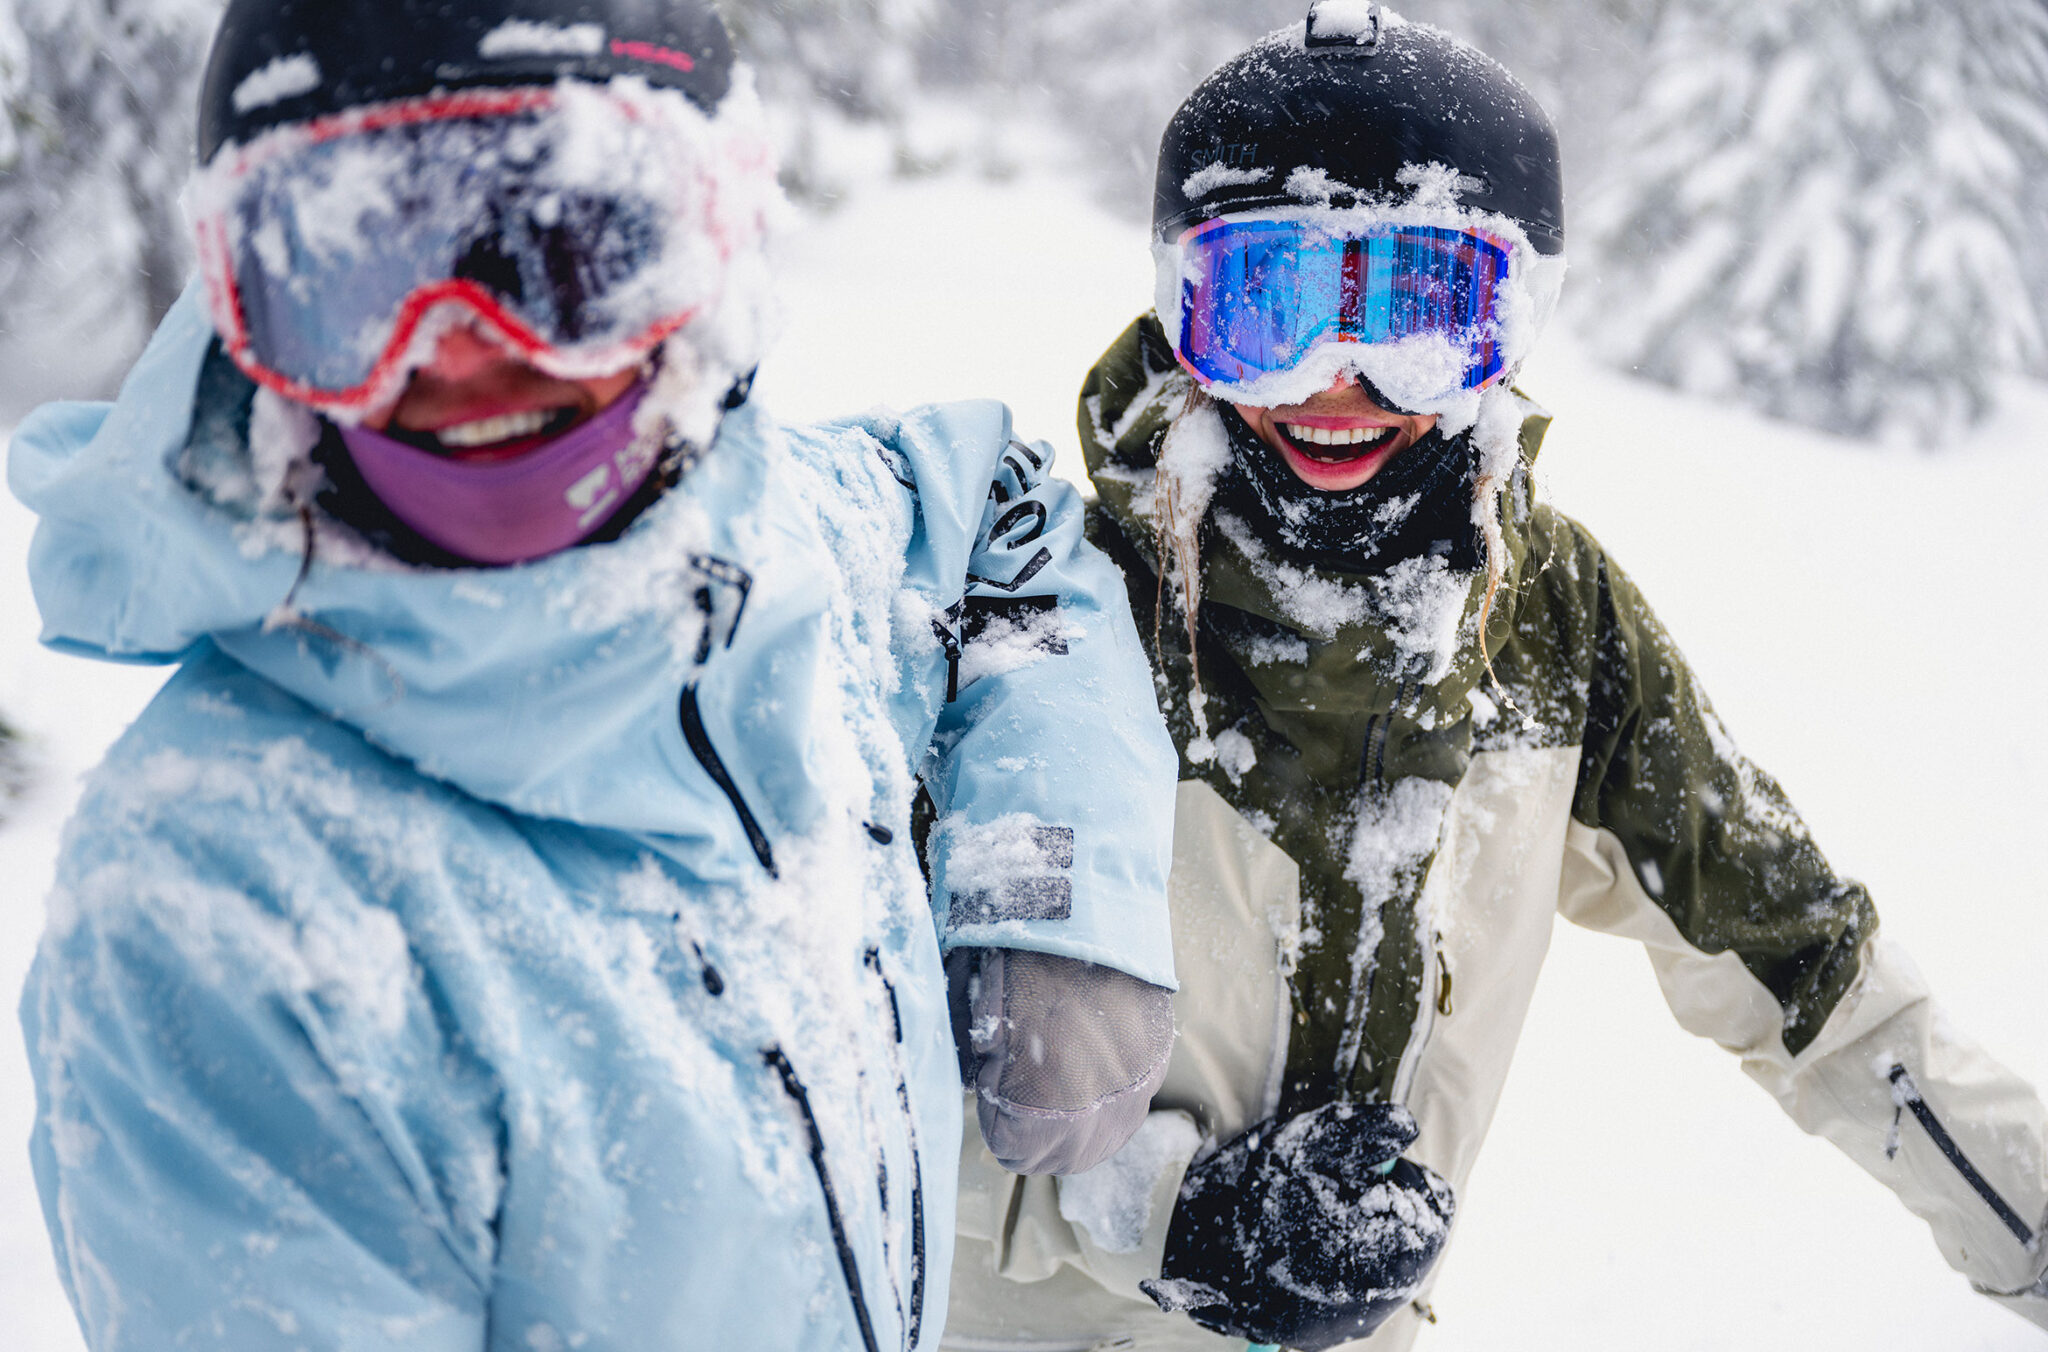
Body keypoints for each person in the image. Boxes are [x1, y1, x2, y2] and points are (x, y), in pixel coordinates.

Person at [12, 2, 1182, 1349]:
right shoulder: (223, 914)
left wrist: (1048, 884)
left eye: (570, 247)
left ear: (715, 250)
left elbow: (1004, 521)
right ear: (242, 309)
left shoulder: (795, 542)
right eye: (356, 261)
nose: (468, 347)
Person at [941, 6, 2048, 1350]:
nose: (1337, 381)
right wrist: (1168, 1213)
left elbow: (1822, 987)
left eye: (1419, 311)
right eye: (1271, 307)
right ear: (1185, 314)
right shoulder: (1049, 602)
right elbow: (854, 1049)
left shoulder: (1547, 626)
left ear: (1514, 320)